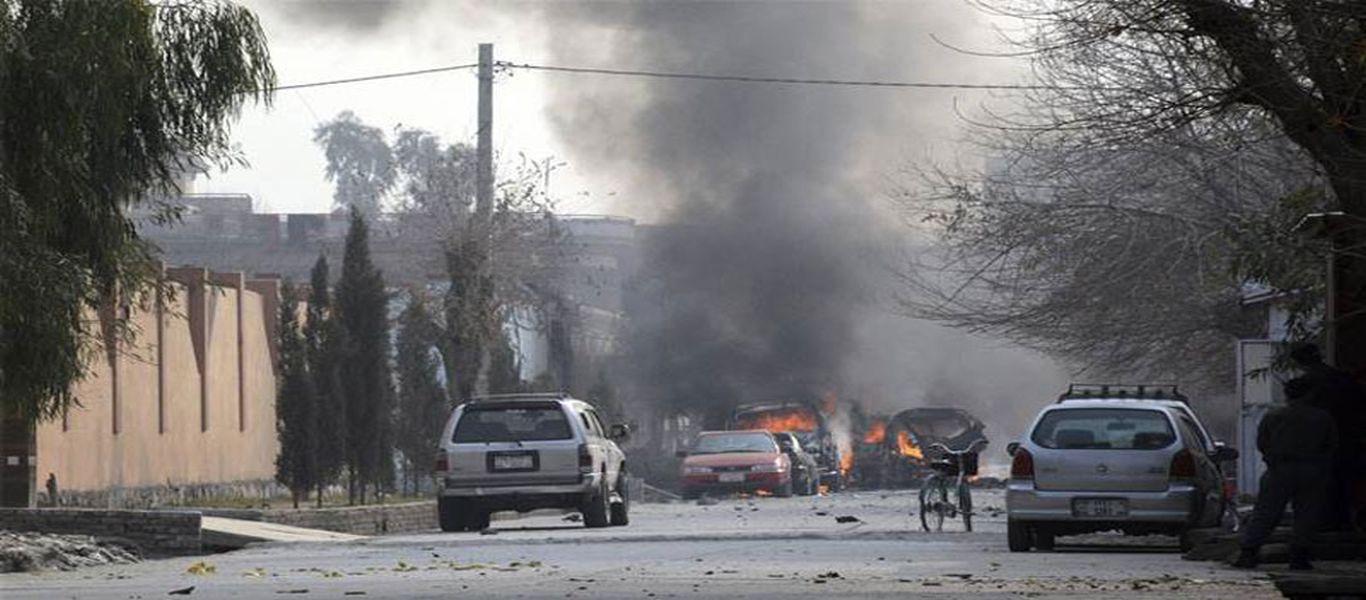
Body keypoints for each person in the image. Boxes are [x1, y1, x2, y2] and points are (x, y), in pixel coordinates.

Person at [1233, 377, 1337, 570]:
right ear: (1310, 394)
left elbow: (1262, 442)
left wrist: (1272, 457)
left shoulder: (1274, 416)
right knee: (1307, 513)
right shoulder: (1321, 417)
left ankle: (1249, 552)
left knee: (1266, 512)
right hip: (1311, 469)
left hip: (1279, 469)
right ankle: (1299, 556)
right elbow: (1330, 445)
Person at [1289, 343, 1366, 531]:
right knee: (1342, 482)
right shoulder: (1341, 378)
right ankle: (1342, 521)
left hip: (1320, 442)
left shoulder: (1308, 384)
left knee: (1321, 485)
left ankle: (1325, 522)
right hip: (1349, 438)